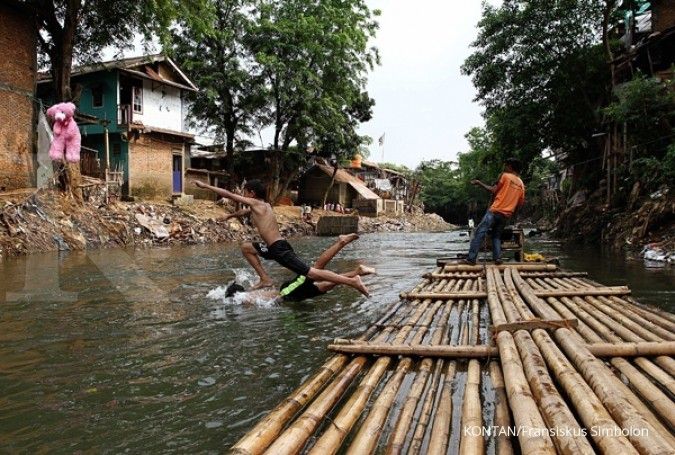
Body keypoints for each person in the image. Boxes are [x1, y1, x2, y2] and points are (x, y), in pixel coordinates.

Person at [195, 179, 369, 295]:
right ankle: (265, 279)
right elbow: (244, 210)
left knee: (313, 273)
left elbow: (229, 195)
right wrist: (228, 217)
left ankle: (351, 281)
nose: (243, 195)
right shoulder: (263, 205)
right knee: (247, 247)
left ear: (252, 193)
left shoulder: (256, 203)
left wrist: (206, 186)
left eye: (245, 192)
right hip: (274, 247)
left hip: (279, 250)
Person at [225, 233, 375, 303]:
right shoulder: (248, 294)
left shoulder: (242, 299)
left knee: (316, 269)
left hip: (287, 292)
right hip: (293, 296)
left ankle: (341, 243)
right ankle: (357, 273)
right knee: (326, 286)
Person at [464, 157, 525, 265]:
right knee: (496, 236)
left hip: (495, 210)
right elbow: (520, 203)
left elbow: (493, 190)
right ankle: (497, 258)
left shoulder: (505, 176)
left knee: (479, 232)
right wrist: (512, 215)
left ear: (510, 166)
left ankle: (471, 258)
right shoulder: (521, 184)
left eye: (506, 165)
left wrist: (479, 183)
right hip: (506, 215)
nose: (505, 167)